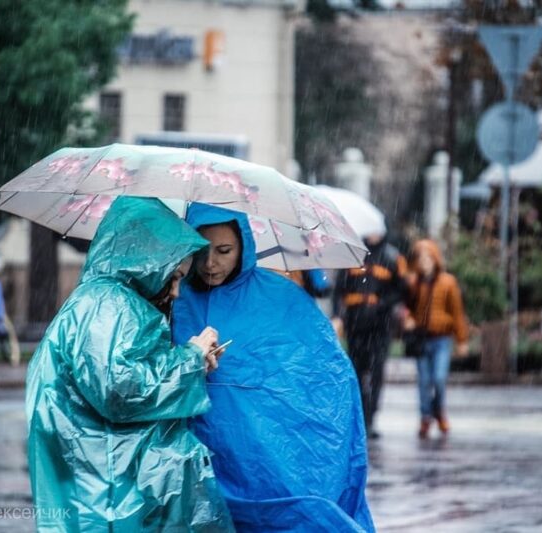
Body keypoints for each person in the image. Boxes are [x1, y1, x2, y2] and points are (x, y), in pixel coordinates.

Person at [25, 197, 233, 532]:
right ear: (147, 264)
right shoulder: (108, 306)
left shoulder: (110, 302)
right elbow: (120, 390)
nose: (177, 292)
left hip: (101, 480)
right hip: (107, 493)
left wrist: (192, 363)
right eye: (174, 277)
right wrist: (191, 357)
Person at [173, 204, 374, 532]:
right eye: (200, 250)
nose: (210, 264)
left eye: (224, 251)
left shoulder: (281, 297)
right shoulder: (173, 294)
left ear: (244, 247)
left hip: (262, 458)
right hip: (195, 452)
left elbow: (325, 377)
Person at [332, 233, 408, 438]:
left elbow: (402, 290)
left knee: (375, 372)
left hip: (380, 326)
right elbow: (339, 290)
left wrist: (381, 304)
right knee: (356, 371)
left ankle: (370, 418)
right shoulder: (352, 256)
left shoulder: (392, 257)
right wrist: (338, 315)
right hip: (356, 325)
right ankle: (358, 416)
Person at [402, 239, 469, 439]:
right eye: (420, 258)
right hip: (422, 339)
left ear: (435, 259)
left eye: (428, 258)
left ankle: (439, 410)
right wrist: (408, 320)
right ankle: (425, 416)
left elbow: (457, 312)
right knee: (424, 381)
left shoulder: (448, 282)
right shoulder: (414, 283)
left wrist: (462, 339)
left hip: (442, 339)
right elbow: (407, 308)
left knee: (439, 379)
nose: (424, 262)